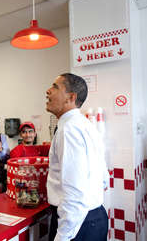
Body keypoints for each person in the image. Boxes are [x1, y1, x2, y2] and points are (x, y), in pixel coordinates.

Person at [46, 73, 108, 241]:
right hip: (93, 217)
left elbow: (74, 191)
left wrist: (63, 236)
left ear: (71, 97)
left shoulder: (69, 130)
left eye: (55, 87)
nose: (48, 91)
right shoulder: (85, 124)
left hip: (77, 225)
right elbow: (103, 178)